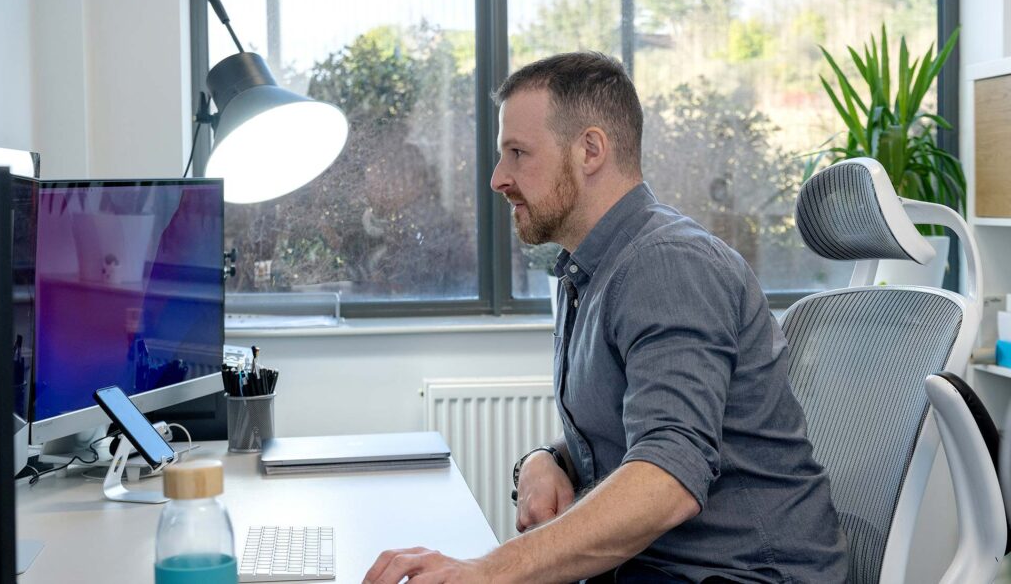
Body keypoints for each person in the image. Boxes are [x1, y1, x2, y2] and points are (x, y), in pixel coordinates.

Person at [363, 52, 848, 584]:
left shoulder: (668, 264)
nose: (499, 178)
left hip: (743, 575)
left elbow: (668, 477)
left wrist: (488, 570)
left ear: (590, 150)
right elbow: (628, 432)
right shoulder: (594, 270)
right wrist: (546, 459)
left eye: (518, 153)